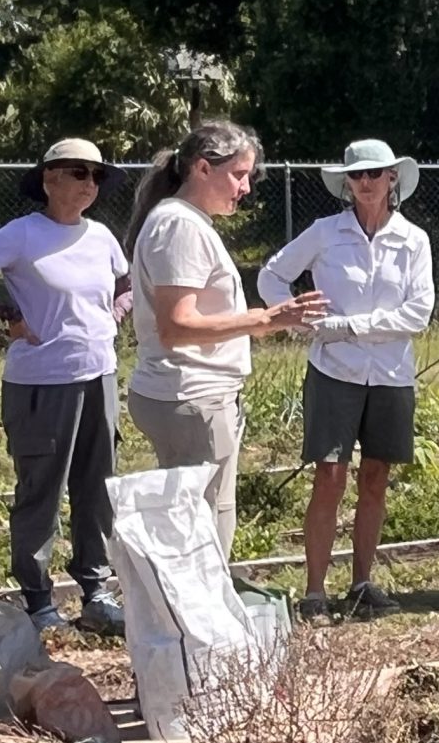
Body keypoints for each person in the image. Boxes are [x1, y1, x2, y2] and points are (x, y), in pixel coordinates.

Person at [0, 137, 132, 635]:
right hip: (42, 384)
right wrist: (10, 314)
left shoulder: (102, 236)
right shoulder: (22, 234)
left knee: (97, 486)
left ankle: (96, 590)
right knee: (41, 489)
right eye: (78, 172)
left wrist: (114, 318)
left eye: (96, 175)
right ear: (49, 179)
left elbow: (126, 287)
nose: (89, 183)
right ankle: (39, 601)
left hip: (98, 376)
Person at [126, 120, 326, 559]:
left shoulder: (183, 222)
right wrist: (265, 319)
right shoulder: (180, 227)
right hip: (193, 397)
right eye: (239, 174)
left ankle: (194, 616)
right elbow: (176, 327)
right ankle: (199, 621)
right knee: (206, 524)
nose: (246, 188)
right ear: (202, 168)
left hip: (195, 395)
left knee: (203, 515)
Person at [258, 139, 437, 621]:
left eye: (375, 174)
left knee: (376, 478)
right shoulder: (324, 232)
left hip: (391, 376)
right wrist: (298, 319)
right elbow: (272, 277)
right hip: (334, 371)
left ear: (392, 178)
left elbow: (418, 314)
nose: (365, 183)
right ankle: (314, 591)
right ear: (346, 182)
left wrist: (346, 326)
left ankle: (362, 583)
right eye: (357, 175)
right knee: (330, 477)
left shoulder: (413, 239)